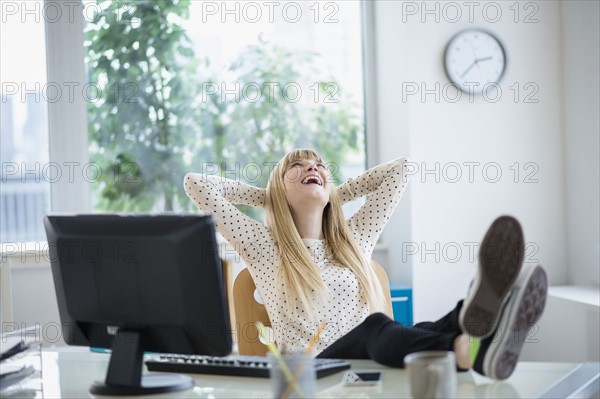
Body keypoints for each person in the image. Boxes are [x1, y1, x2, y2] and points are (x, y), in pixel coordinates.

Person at [183, 148, 548, 380]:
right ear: (279, 189)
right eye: (297, 165)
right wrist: (269, 196)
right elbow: (196, 184)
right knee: (378, 326)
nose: (313, 166)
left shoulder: (353, 240)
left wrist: (331, 193)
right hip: (315, 376)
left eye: (320, 166)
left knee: (429, 324)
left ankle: (478, 322)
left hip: (370, 367)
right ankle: (465, 349)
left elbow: (401, 169)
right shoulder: (265, 247)